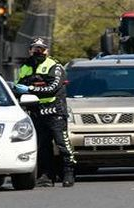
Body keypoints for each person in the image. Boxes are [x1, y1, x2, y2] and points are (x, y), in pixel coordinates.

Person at [14, 37, 77, 187]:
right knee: (42, 146)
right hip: (36, 112)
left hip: (55, 112)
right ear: (30, 50)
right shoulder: (25, 67)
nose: (38, 52)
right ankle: (46, 176)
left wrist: (30, 89)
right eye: (35, 49)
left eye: (41, 49)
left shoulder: (55, 67)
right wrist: (20, 90)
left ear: (47, 51)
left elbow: (51, 89)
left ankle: (68, 173)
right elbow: (18, 87)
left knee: (62, 143)